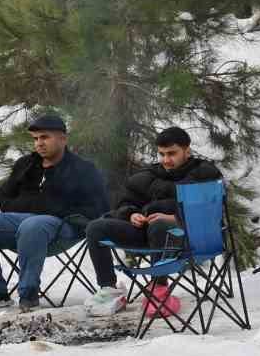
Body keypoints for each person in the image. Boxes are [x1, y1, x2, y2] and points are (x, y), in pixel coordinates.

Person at [0, 113, 108, 311]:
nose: (39, 143)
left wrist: (56, 211)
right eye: (35, 139)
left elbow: (99, 207)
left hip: (65, 226)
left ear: (63, 139)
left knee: (34, 224)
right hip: (24, 222)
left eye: (45, 137)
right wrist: (35, 206)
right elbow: (5, 197)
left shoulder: (82, 169)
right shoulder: (26, 165)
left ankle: (29, 292)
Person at [84, 127, 223, 317]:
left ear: (187, 151)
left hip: (188, 236)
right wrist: (131, 214)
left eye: (172, 153)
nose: (166, 160)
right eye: (162, 154)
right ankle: (109, 289)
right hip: (147, 232)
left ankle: (159, 289)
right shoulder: (148, 175)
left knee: (160, 225)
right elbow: (125, 202)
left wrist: (174, 219)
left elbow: (211, 211)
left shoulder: (205, 174)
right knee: (95, 228)